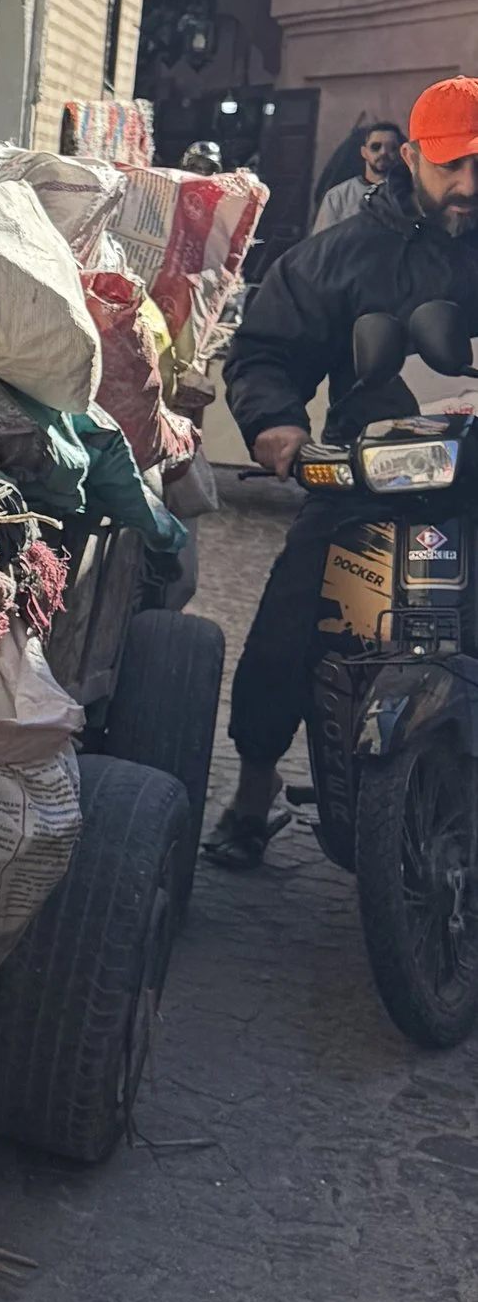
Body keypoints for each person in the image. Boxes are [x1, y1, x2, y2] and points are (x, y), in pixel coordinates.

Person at [204, 77, 478, 867]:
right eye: (453, 166)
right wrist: (281, 429)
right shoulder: (341, 254)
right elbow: (264, 352)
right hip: (368, 486)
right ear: (414, 157)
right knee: (290, 622)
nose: (468, 186)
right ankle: (253, 795)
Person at [311, 117, 406, 234]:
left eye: (392, 148)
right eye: (376, 147)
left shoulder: (408, 196)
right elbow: (321, 244)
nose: (383, 152)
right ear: (364, 152)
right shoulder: (338, 197)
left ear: (401, 153)